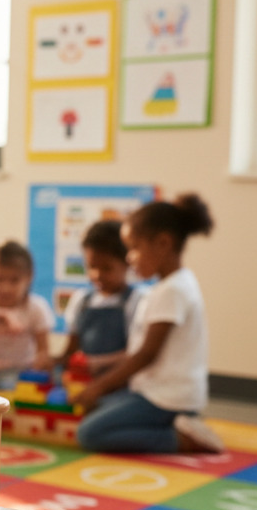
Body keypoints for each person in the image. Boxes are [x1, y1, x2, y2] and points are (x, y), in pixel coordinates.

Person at [74, 193, 221, 454]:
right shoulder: (172, 285)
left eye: (133, 248)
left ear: (163, 243)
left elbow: (146, 355)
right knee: (97, 407)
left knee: (89, 434)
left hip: (166, 399)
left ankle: (181, 438)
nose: (130, 258)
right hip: (153, 393)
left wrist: (99, 385)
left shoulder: (171, 291)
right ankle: (182, 424)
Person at [0, 239, 55, 390]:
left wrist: (41, 363)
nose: (6, 288)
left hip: (22, 377)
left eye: (14, 280)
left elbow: (43, 351)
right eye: (0, 279)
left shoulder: (36, 308)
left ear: (29, 276)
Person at [59, 219, 144, 377]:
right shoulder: (81, 300)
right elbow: (69, 352)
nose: (97, 275)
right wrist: (52, 362)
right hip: (83, 381)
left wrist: (98, 362)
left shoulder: (137, 301)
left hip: (119, 382)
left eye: (107, 268)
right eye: (92, 267)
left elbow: (136, 355)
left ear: (127, 263)